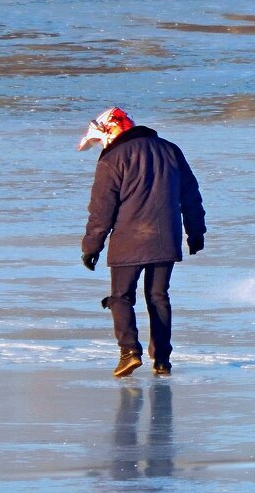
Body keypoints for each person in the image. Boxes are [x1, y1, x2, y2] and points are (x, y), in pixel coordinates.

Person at [78, 107, 206, 377]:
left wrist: (92, 247)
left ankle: (129, 352)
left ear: (109, 131)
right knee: (158, 296)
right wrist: (195, 232)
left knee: (121, 297)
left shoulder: (111, 159)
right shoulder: (170, 150)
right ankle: (162, 359)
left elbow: (101, 211)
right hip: (166, 238)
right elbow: (191, 194)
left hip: (128, 240)